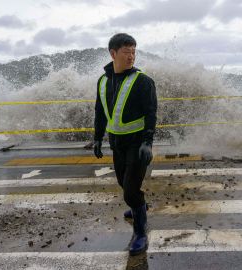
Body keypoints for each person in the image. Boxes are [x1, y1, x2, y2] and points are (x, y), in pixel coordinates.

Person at [93, 33, 157, 256]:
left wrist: (148, 142)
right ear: (113, 54)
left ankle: (140, 232)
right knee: (123, 183)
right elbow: (100, 112)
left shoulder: (143, 81)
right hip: (116, 142)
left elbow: (151, 113)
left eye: (134, 52)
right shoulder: (103, 81)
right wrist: (97, 138)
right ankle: (138, 205)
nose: (131, 57)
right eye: (126, 52)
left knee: (130, 190)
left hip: (137, 143)